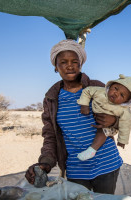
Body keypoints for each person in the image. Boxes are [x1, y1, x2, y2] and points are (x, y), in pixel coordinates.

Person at [25, 39, 123, 194]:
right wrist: (46, 162)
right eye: (63, 62)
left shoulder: (97, 87)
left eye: (74, 61)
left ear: (80, 65)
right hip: (76, 169)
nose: (69, 65)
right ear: (56, 67)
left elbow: (123, 114)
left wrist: (114, 120)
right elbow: (50, 135)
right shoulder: (52, 98)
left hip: (106, 164)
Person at [76, 74, 131, 161]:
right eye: (116, 88)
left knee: (102, 132)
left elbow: (126, 124)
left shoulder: (123, 109)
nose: (116, 93)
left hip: (109, 128)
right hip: (94, 118)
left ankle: (92, 150)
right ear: (110, 86)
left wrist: (122, 140)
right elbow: (87, 91)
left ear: (126, 101)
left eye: (122, 95)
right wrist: (84, 105)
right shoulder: (99, 91)